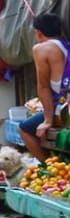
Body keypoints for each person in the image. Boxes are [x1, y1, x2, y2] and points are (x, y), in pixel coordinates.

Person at [19, 13, 70, 162]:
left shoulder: (41, 49)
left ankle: (50, 167)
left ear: (38, 33)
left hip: (65, 112)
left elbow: (43, 87)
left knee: (25, 128)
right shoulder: (66, 47)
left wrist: (47, 120)